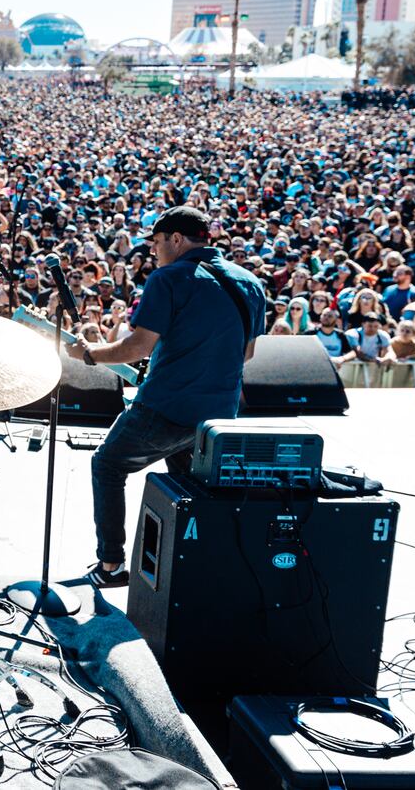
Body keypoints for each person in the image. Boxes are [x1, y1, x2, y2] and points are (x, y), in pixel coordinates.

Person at [69, 207, 265, 588]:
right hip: (218, 417)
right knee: (191, 488)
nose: (154, 252)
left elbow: (138, 347)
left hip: (166, 407)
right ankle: (195, 565)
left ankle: (111, 566)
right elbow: (248, 354)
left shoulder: (169, 278)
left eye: (156, 243)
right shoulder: (250, 282)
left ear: (176, 239)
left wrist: (89, 353)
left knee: (108, 466)